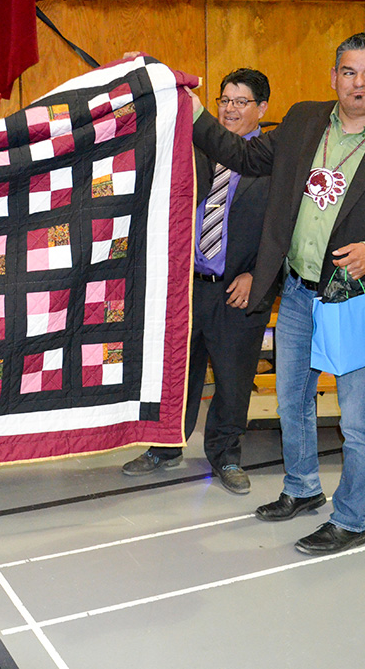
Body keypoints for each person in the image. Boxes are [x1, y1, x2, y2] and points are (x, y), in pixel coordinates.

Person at [191, 32, 365, 554]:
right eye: (349, 72)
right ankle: (302, 488)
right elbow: (241, 157)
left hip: (359, 300)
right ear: (333, 78)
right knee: (292, 401)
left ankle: (352, 517)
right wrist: (194, 108)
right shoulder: (304, 122)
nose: (359, 82)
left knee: (357, 420)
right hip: (296, 293)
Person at [123, 68, 273, 495]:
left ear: (262, 109)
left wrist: (257, 277)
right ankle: (165, 447)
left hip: (239, 289)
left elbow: (285, 230)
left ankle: (226, 457)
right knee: (175, 373)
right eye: (224, 100)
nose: (229, 109)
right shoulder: (192, 149)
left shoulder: (273, 159)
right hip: (186, 287)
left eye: (241, 102)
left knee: (232, 377)